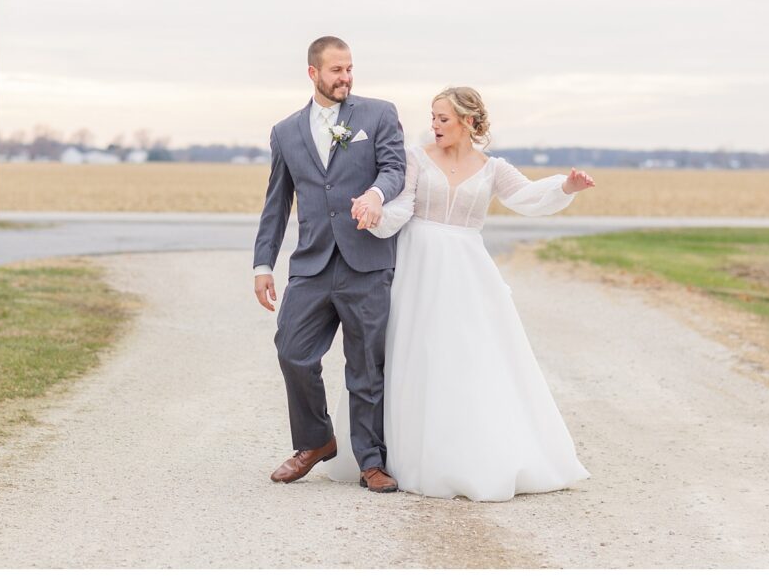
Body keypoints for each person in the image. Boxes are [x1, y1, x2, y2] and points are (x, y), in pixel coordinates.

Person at [325, 86, 595, 501]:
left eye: (443, 119)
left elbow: (525, 196)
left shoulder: (492, 168)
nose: (434, 125)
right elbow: (404, 206)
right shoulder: (416, 158)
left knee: (468, 356)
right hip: (417, 267)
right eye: (432, 117)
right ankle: (391, 455)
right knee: (412, 354)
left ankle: (466, 455)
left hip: (467, 272)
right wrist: (375, 215)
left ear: (469, 121)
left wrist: (565, 187)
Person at [252, 36, 406, 493]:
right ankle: (316, 441)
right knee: (292, 351)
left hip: (367, 262)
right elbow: (276, 204)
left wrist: (376, 195)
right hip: (312, 265)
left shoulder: (378, 114)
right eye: (337, 70)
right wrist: (263, 264)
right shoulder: (285, 132)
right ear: (313, 73)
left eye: (350, 69)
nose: (346, 78)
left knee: (365, 366)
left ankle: (372, 463)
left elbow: (395, 169)